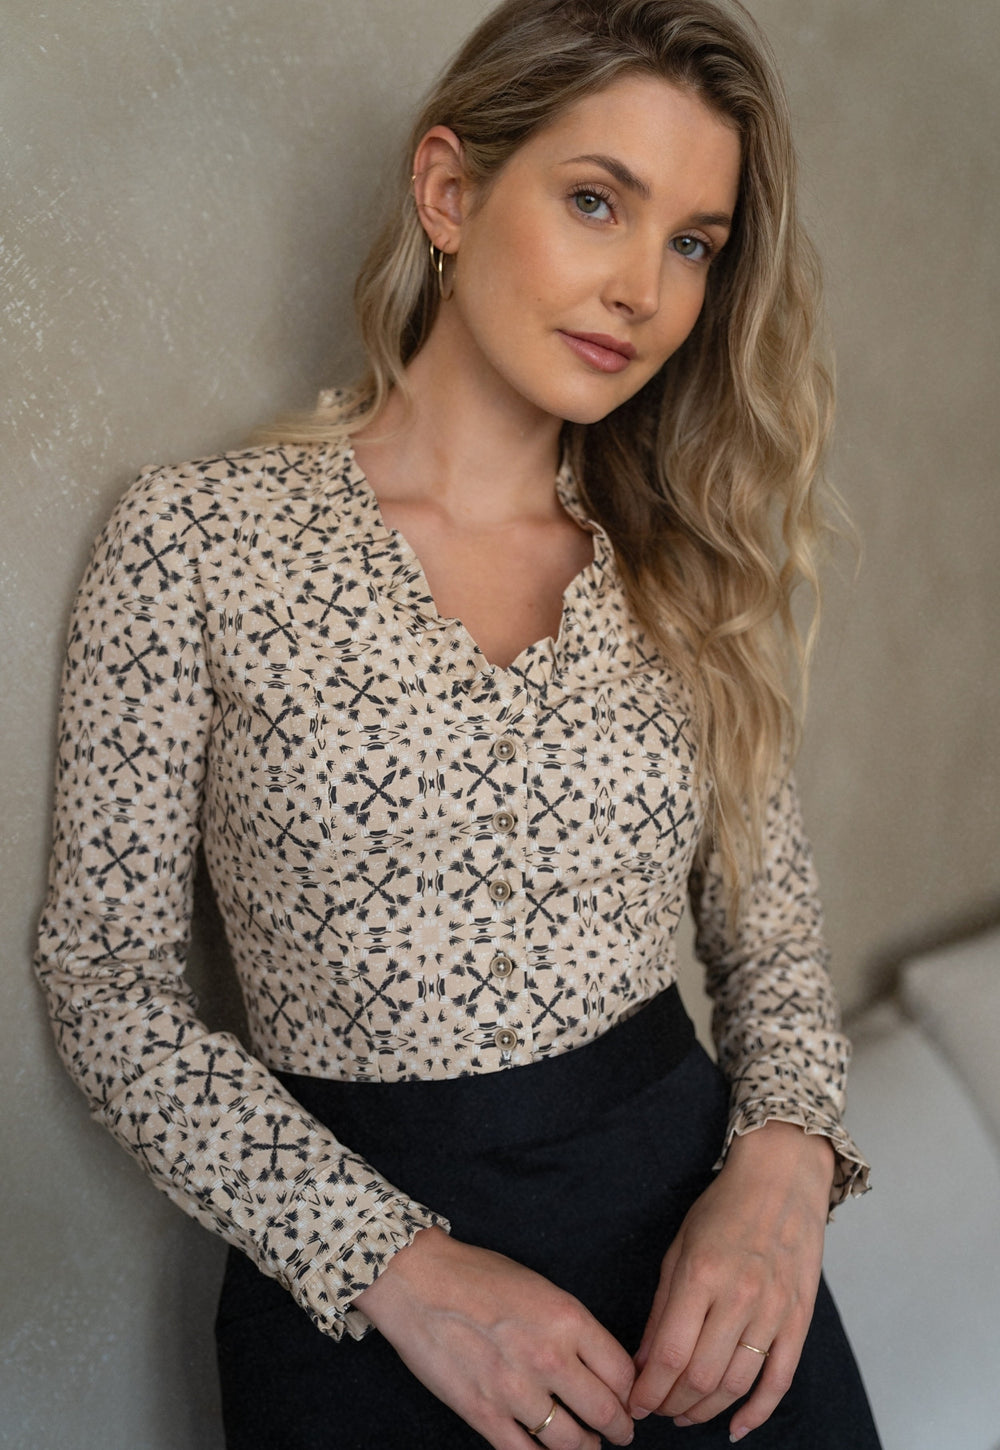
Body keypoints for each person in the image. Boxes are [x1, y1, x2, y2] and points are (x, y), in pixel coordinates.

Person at [34, 0, 882, 1446]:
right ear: (449, 190)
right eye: (598, 200)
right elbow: (105, 986)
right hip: (360, 1300)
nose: (642, 288)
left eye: (692, 241)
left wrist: (783, 1173)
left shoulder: (684, 567)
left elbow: (775, 948)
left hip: (706, 1279)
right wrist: (396, 1267)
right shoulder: (194, 541)